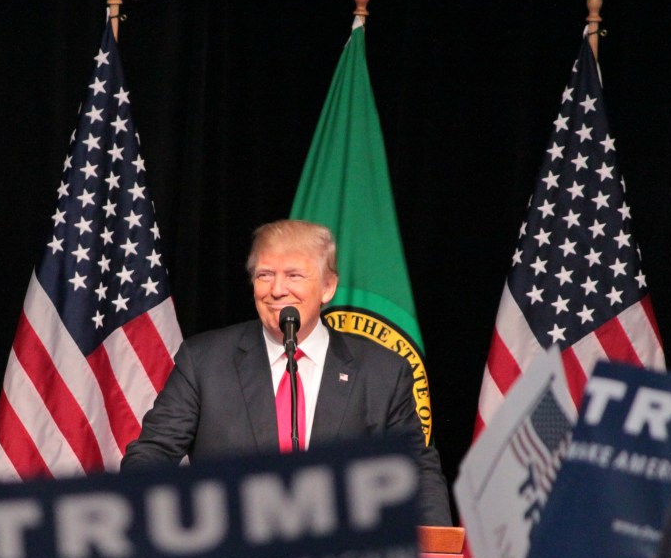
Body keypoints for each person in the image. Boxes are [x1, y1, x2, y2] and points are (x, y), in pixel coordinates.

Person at [122, 220, 452, 525]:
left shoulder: (382, 371)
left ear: (328, 287)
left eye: (294, 275)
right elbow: (152, 453)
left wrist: (440, 555)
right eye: (265, 275)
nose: (277, 289)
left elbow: (418, 474)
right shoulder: (204, 361)